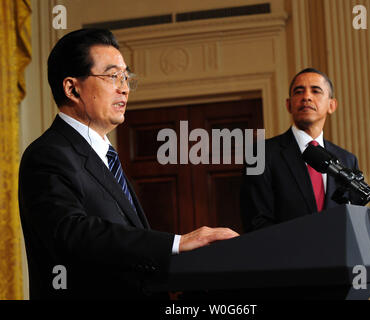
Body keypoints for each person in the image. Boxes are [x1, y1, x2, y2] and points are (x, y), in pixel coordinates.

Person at [18, 28, 238, 300]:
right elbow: (73, 235)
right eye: (112, 76)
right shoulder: (48, 154)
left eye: (125, 77)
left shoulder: (105, 155)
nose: (124, 87)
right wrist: (177, 243)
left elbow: (127, 249)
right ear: (72, 88)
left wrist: (186, 271)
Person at [240, 68, 360, 232]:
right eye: (299, 92)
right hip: (286, 255)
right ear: (289, 105)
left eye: (316, 91)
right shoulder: (260, 153)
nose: (306, 97)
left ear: (332, 105)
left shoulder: (347, 160)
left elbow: (354, 219)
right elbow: (257, 221)